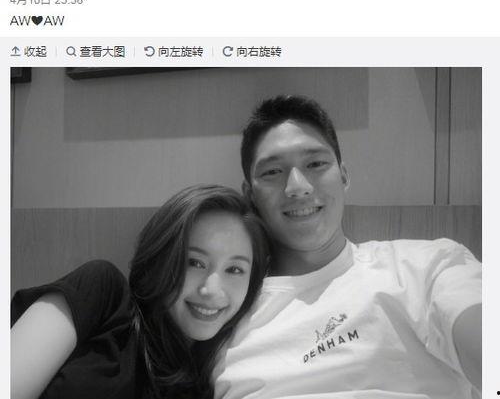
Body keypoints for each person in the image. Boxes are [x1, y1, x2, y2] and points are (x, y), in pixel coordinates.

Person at [213, 95, 482, 399]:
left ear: (343, 176)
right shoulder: (219, 311)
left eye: (316, 164)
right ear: (250, 194)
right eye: (273, 172)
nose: (297, 186)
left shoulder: (426, 268)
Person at [11, 184, 270, 399]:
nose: (211, 290)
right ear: (161, 258)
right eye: (194, 262)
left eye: (235, 269)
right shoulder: (102, 293)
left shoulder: (211, 383)